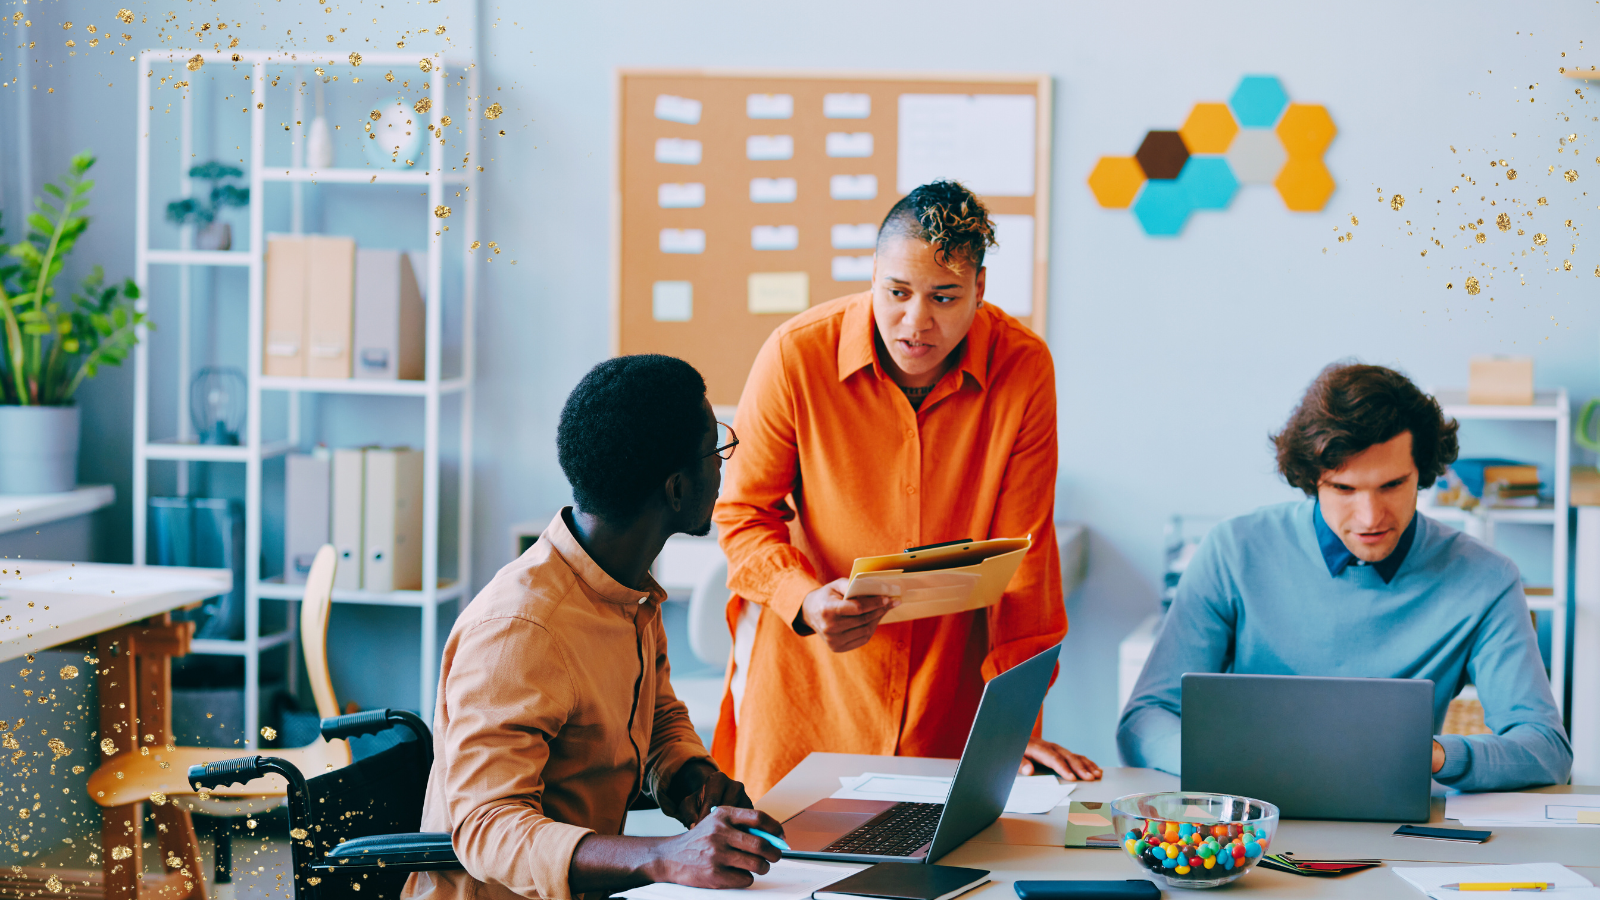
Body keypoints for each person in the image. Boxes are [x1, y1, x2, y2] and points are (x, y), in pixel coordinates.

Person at [711, 180, 1101, 799]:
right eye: (896, 292)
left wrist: (1013, 722)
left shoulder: (1024, 368)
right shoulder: (795, 356)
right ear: (873, 275)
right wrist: (806, 599)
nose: (915, 323)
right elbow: (742, 514)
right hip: (811, 692)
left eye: (944, 297)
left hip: (950, 697)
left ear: (979, 290)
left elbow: (1024, 559)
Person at [404, 355, 785, 900]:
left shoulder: (625, 589)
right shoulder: (521, 629)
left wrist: (692, 781)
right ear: (676, 489)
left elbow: (656, 720)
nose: (723, 467)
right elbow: (486, 826)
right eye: (716, 449)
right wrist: (661, 856)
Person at [1117, 362, 1572, 792]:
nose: (1370, 516)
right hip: (1254, 822)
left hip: (1401, 826)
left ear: (1424, 473)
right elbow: (1144, 720)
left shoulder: (1485, 579)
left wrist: (1434, 756)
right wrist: (1233, 763)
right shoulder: (1233, 552)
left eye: (1392, 485)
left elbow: (1546, 750)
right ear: (1312, 479)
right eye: (1344, 489)